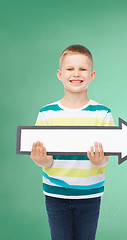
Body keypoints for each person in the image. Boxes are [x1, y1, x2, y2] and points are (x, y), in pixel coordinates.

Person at [30, 44, 115, 240]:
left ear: (92, 75)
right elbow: (47, 160)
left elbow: (106, 159)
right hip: (55, 194)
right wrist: (41, 160)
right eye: (70, 69)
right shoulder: (46, 113)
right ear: (60, 74)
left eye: (82, 69)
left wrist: (98, 161)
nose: (76, 74)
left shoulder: (103, 113)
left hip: (90, 194)